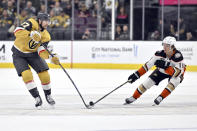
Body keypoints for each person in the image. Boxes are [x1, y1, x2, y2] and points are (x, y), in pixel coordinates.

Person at [11, 13, 60, 108]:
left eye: (48, 21)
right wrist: (31, 33)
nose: (47, 23)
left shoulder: (46, 36)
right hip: (19, 53)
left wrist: (51, 57)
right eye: (45, 20)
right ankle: (37, 97)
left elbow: (41, 50)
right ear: (40, 20)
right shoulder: (31, 22)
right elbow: (17, 31)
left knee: (45, 74)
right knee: (26, 75)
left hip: (33, 54)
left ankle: (48, 95)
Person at [125, 36, 186, 105]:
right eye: (164, 45)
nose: (164, 47)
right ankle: (134, 97)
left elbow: (178, 72)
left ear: (172, 47)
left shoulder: (178, 56)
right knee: (147, 83)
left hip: (175, 74)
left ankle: (161, 97)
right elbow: (147, 66)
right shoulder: (159, 54)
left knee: (176, 80)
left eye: (167, 46)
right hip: (161, 71)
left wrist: (166, 67)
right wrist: (136, 75)